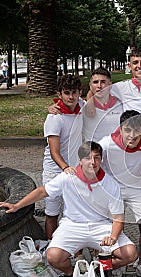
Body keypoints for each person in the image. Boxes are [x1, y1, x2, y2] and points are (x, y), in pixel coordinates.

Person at [0, 141, 137, 277]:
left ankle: (98, 269)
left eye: (97, 158)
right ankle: (71, 273)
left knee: (130, 254)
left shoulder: (111, 184)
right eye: (88, 158)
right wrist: (16, 205)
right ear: (80, 160)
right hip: (72, 225)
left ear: (101, 160)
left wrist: (113, 237)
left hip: (101, 225)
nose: (93, 162)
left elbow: (118, 218)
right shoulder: (68, 177)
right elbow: (43, 191)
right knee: (53, 256)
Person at [99, 110, 141, 277]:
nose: (132, 136)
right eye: (127, 130)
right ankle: (118, 263)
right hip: (113, 189)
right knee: (112, 223)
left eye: (137, 131)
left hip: (137, 188)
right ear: (120, 129)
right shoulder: (106, 144)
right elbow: (92, 166)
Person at [42, 74, 83, 240]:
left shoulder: (83, 107)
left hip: (75, 171)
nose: (71, 97)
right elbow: (54, 152)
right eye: (67, 93)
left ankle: (74, 251)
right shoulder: (54, 118)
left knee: (75, 213)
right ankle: (51, 248)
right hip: (55, 172)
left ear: (80, 92)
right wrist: (66, 168)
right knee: (52, 214)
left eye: (74, 92)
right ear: (59, 94)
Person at [83, 67, 123, 142]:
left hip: (115, 150)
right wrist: (53, 108)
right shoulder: (83, 106)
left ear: (110, 84)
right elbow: (65, 105)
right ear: (90, 85)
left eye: (103, 82)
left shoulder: (121, 105)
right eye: (95, 82)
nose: (99, 86)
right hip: (92, 152)